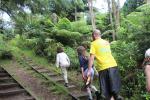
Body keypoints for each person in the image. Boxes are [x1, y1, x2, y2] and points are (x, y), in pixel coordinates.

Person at [87, 29, 123, 100]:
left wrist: (89, 70)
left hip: (103, 68)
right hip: (113, 65)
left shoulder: (93, 43)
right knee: (114, 90)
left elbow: (91, 58)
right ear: (100, 35)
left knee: (106, 91)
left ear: (94, 35)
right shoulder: (106, 42)